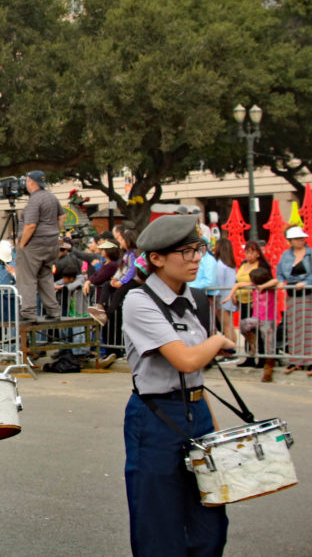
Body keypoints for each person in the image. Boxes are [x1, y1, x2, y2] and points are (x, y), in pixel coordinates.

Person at [122, 215, 234, 556]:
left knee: (210, 519)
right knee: (159, 523)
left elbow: (195, 376)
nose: (196, 259)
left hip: (196, 409)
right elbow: (185, 360)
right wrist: (218, 341)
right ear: (156, 258)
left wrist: (213, 431)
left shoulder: (196, 299)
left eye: (198, 249)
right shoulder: (139, 301)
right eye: (185, 252)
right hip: (157, 416)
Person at [16, 170, 62, 323]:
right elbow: (62, 217)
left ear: (30, 182)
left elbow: (30, 225)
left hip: (34, 244)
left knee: (27, 277)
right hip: (51, 242)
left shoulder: (35, 200)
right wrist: (55, 231)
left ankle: (28, 311)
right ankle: (53, 310)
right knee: (45, 275)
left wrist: (22, 244)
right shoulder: (51, 197)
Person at [276, 226, 312, 375]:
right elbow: (279, 273)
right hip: (291, 295)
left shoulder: (310, 254)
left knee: (307, 327)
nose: (300, 241)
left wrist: (305, 283)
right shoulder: (286, 256)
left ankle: (309, 360)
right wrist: (279, 282)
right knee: (293, 326)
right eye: (297, 239)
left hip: (307, 293)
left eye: (302, 238)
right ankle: (295, 360)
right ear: (290, 241)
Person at [238, 267, 278, 382]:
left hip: (268, 320)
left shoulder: (270, 288)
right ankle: (252, 342)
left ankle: (268, 371)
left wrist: (263, 286)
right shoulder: (254, 287)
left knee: (268, 346)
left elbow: (276, 281)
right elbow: (240, 284)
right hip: (256, 318)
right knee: (243, 324)